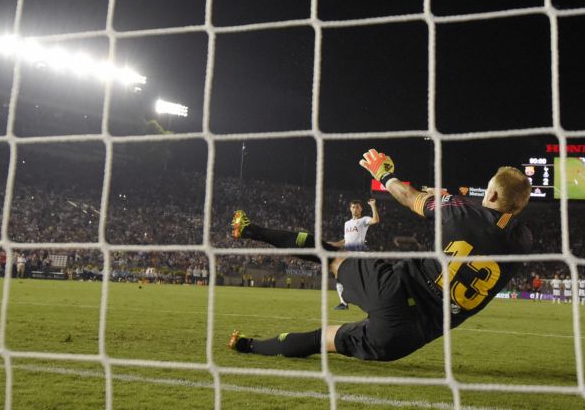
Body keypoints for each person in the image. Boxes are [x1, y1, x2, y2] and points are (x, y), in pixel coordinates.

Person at [227, 148, 532, 362]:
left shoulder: (461, 213)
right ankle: (248, 346)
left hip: (396, 292)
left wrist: (386, 176)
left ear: (490, 194)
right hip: (404, 339)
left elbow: (409, 197)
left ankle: (253, 230)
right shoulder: (523, 243)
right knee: (324, 339)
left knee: (331, 255)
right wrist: (458, 200)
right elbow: (493, 222)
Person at [330, 199, 380, 310]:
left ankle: (374, 302)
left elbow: (376, 220)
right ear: (350, 209)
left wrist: (373, 205)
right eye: (353, 207)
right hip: (348, 255)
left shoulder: (363, 220)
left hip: (359, 254)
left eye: (357, 207)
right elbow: (345, 240)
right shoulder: (347, 223)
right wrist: (333, 244)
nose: (355, 209)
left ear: (361, 209)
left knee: (363, 280)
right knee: (339, 278)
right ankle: (343, 303)